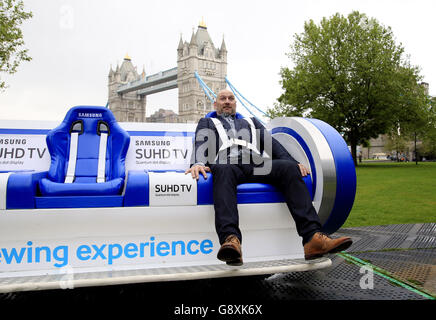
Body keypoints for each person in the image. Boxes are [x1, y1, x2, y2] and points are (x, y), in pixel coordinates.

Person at [185, 89, 352, 266]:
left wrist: (293, 162)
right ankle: (230, 240)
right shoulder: (207, 122)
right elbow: (200, 143)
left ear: (235, 103)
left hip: (256, 164)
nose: (227, 101)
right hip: (227, 164)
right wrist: (197, 163)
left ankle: (313, 239)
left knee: (288, 168)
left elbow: (272, 145)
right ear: (215, 104)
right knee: (223, 171)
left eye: (231, 99)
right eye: (223, 99)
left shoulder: (251, 121)